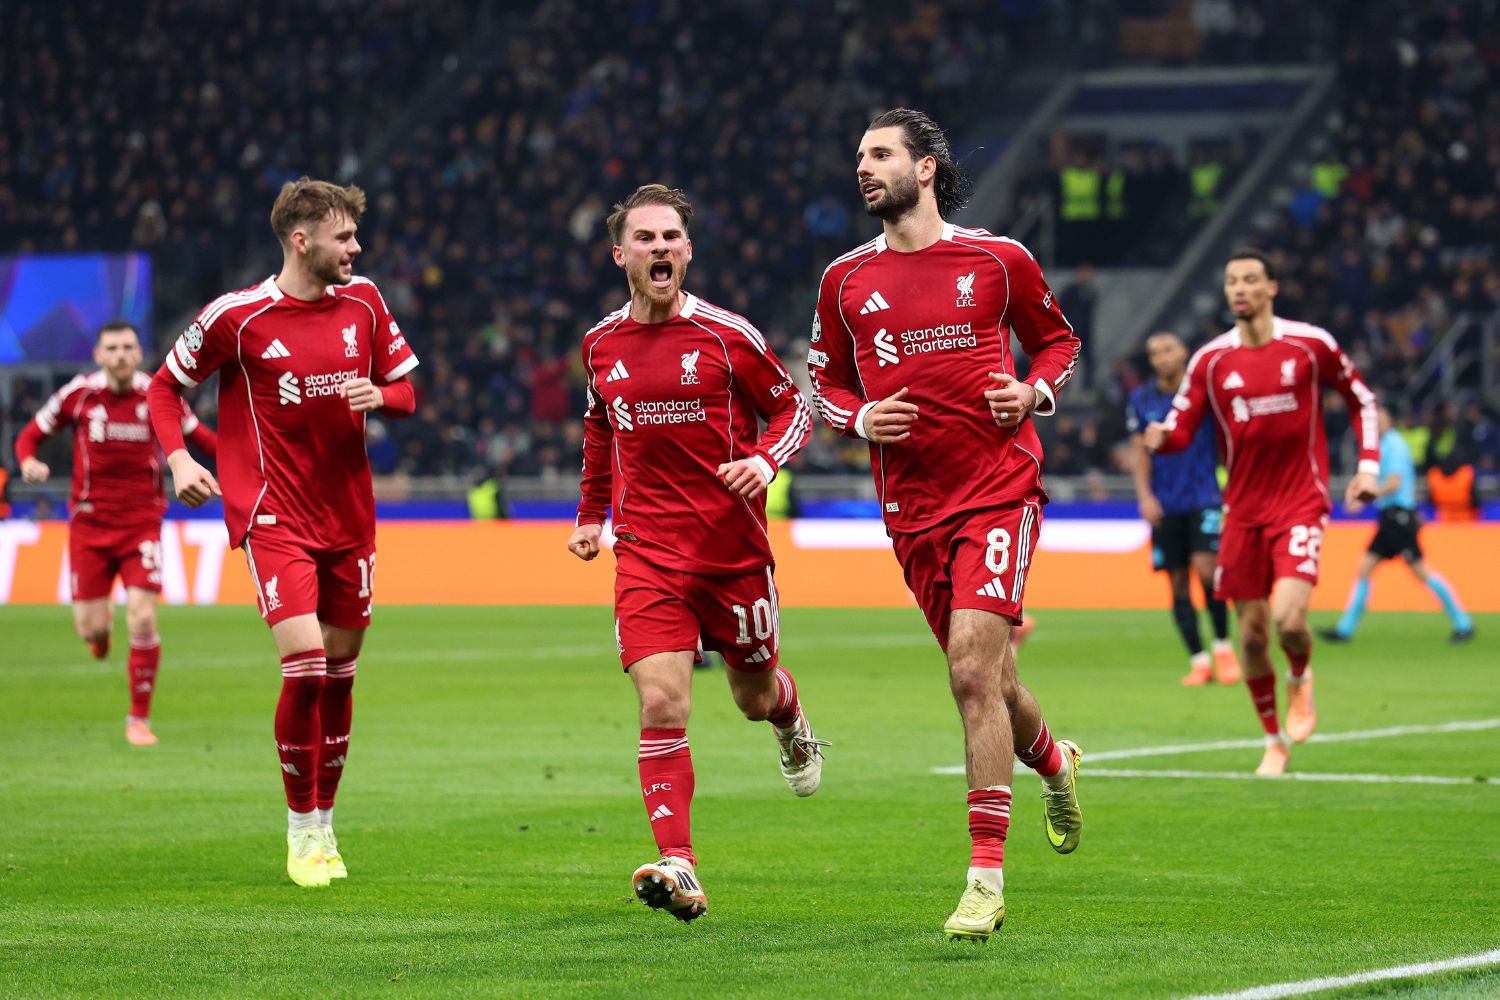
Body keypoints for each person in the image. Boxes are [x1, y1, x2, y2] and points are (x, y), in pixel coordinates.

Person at [808, 108, 1084, 942]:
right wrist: (859, 421)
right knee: (992, 684)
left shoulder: (998, 260)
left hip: (999, 488)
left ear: (926, 168)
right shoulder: (845, 282)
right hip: (912, 511)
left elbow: (1058, 343)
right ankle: (1053, 762)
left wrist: (1034, 393)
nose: (864, 167)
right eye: (858, 155)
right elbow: (824, 384)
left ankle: (984, 879)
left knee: (970, 671)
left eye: (881, 154)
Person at [147, 178, 419, 888]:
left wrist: (381, 397)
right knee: (304, 664)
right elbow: (162, 387)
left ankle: (326, 823)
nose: (357, 247)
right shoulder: (237, 316)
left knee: (340, 673)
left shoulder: (366, 302)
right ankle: (300, 829)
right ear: (302, 241)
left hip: (350, 517)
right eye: (344, 236)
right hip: (273, 515)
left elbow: (410, 392)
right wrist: (179, 458)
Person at [567, 184, 822, 924]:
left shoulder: (725, 336)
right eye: (644, 238)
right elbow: (598, 431)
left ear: (688, 250)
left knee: (753, 695)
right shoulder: (601, 345)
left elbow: (792, 407)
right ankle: (678, 861)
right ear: (620, 254)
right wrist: (591, 515)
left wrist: (767, 461)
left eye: (671, 237)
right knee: (661, 700)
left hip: (731, 551)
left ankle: (791, 720)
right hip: (647, 553)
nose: (660, 248)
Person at [1144, 249, 1379, 775]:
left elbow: (1361, 399)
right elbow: (1182, 426)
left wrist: (1367, 467)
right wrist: (1162, 438)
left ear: (1272, 287)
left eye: (1251, 280)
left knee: (1290, 620)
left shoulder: (1310, 345)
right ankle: (1273, 739)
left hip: (1300, 502)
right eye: (1231, 282)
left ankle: (1300, 674)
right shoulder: (1210, 361)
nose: (1240, 289)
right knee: (1251, 635)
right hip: (1242, 510)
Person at [15, 320, 217, 746]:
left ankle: (137, 719)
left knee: (143, 616)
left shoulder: (159, 393)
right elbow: (30, 436)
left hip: (142, 521)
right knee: (90, 629)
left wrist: (246, 461)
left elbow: (201, 439)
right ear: (99, 355)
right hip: (89, 525)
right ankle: (100, 633)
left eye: (129, 347)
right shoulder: (79, 394)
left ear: (139, 352)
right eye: (113, 348)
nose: (122, 354)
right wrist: (28, 462)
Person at [1126, 331, 1239, 686]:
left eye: (1168, 350)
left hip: (1204, 495)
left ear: (1184, 351)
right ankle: (1199, 660)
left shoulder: (1202, 393)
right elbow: (1140, 451)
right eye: (1155, 352)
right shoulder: (1141, 398)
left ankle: (1223, 648)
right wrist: (1145, 495)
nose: (1161, 357)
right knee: (1176, 582)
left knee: (1208, 572)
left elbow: (1226, 440)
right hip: (1165, 501)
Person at [1319, 406, 1474, 644]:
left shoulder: (1394, 446)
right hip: (1389, 517)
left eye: (1380, 419)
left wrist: (1365, 497)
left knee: (1422, 572)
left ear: (1390, 420)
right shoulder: (1386, 445)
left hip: (1398, 518)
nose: (1376, 424)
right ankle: (1344, 629)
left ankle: (1463, 623)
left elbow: (1393, 483)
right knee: (1364, 567)